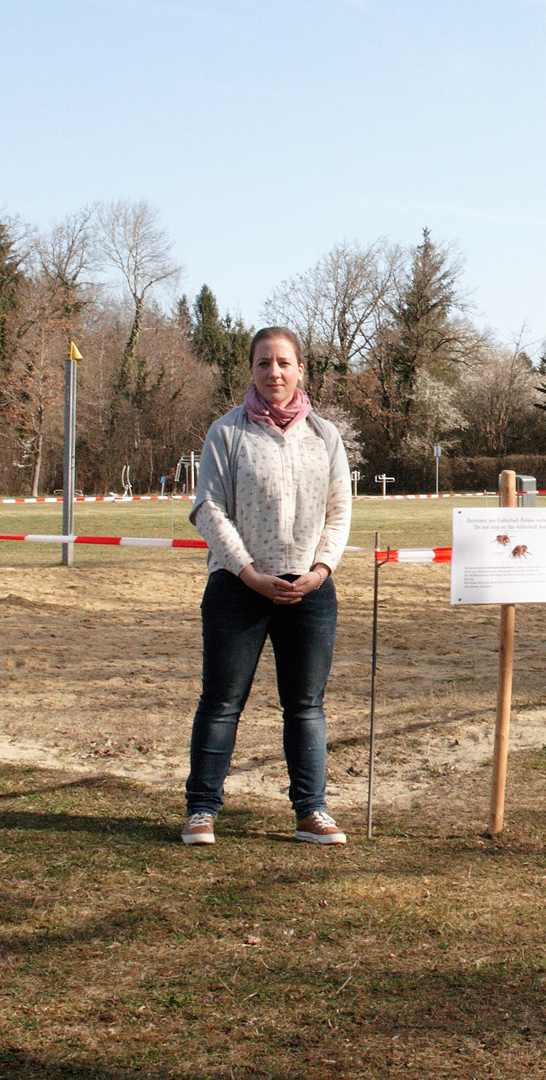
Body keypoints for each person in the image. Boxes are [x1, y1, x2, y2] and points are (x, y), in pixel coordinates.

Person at [181, 326, 352, 845]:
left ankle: (311, 811)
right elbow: (207, 508)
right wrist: (249, 573)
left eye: (283, 362)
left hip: (310, 592)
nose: (273, 372)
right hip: (238, 589)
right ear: (251, 371)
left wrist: (319, 572)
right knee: (221, 702)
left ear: (301, 370)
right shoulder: (226, 433)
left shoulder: (325, 436)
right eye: (263, 363)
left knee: (305, 706)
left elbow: (339, 511)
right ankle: (202, 811)